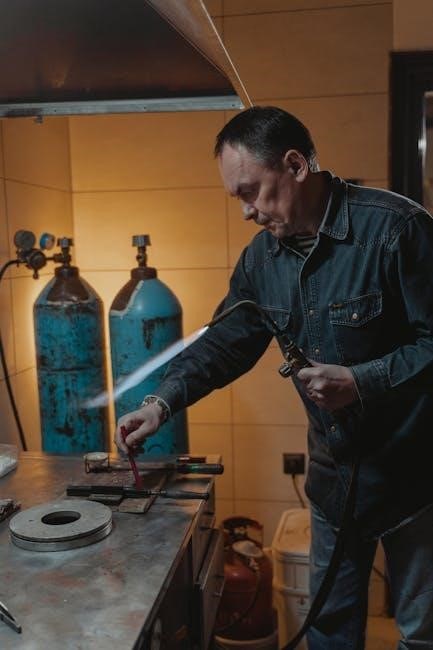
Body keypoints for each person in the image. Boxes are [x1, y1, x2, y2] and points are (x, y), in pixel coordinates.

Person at [115, 106, 433, 649]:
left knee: (422, 634)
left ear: (295, 165)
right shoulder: (261, 262)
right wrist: (160, 403)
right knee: (329, 630)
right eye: (236, 197)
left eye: (250, 192)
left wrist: (362, 380)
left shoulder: (397, 229)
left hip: (414, 482)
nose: (246, 212)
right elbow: (224, 344)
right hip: (334, 483)